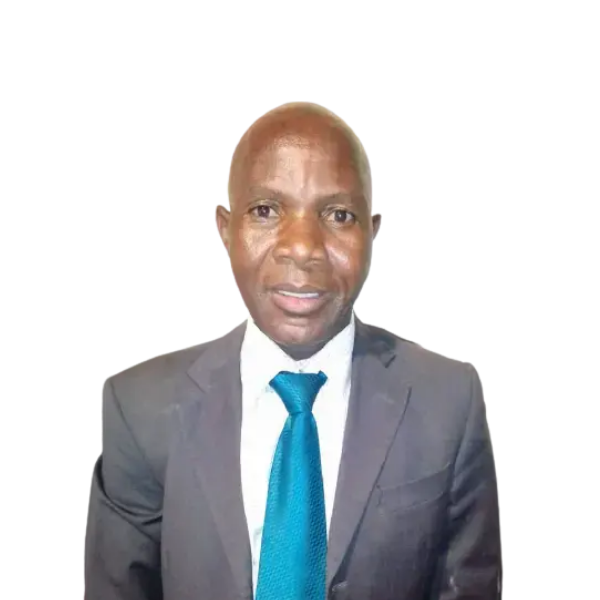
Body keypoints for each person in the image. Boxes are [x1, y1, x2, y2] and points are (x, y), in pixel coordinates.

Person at [83, 101, 502, 599]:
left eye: (339, 215)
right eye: (266, 210)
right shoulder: (140, 408)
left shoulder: (449, 400)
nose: (302, 247)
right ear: (225, 230)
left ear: (371, 234)